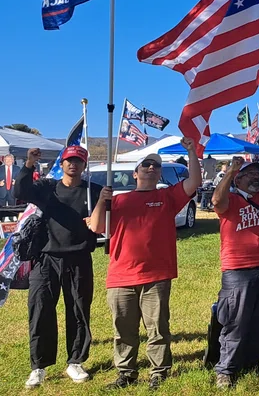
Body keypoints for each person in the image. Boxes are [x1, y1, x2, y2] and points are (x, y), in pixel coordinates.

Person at [87, 140, 201, 388]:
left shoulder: (167, 196)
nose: (152, 168)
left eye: (156, 166)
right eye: (146, 164)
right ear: (135, 173)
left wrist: (192, 151)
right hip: (121, 275)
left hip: (156, 274)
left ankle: (159, 372)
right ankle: (126, 373)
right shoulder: (117, 201)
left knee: (157, 328)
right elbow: (96, 227)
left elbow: (194, 182)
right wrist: (101, 201)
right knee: (123, 329)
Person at [16, 146, 105, 388]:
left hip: (79, 259)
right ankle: (39, 366)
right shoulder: (47, 189)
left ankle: (75, 361)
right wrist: (29, 164)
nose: (73, 165)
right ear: (62, 163)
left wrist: (104, 200)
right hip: (46, 259)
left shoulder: (93, 191)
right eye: (69, 161)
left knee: (78, 311)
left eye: (78, 161)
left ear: (84, 165)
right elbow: (20, 191)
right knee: (40, 311)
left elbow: (103, 224)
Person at [210, 134, 259, 389]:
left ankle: (253, 363)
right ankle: (226, 369)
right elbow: (216, 201)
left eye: (258, 172)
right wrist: (229, 172)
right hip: (239, 269)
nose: (256, 176)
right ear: (239, 179)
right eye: (249, 174)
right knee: (236, 320)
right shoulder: (231, 200)